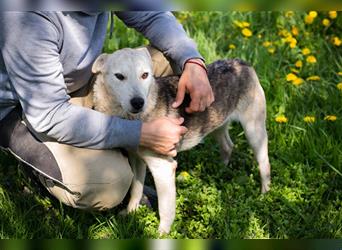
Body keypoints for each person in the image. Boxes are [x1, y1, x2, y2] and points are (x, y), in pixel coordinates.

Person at [0, 11, 214, 210]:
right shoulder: (25, 16)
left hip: (76, 82)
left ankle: (130, 148)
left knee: (171, 58)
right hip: (25, 108)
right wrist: (140, 133)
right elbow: (49, 114)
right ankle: (39, 167)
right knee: (110, 185)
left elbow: (152, 14)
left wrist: (192, 61)